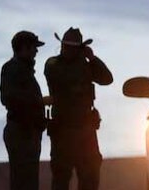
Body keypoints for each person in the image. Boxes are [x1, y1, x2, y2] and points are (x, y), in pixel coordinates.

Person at [44, 27, 113, 190]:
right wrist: (84, 62)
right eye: (66, 46)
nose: (67, 50)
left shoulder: (85, 65)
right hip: (63, 131)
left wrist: (92, 59)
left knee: (89, 176)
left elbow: (107, 79)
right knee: (61, 178)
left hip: (85, 130)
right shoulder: (54, 64)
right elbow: (65, 80)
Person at [0, 30, 49, 190]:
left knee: (27, 180)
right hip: (22, 133)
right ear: (23, 47)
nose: (36, 51)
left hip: (27, 133)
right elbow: (8, 98)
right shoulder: (13, 69)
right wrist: (39, 102)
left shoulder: (22, 70)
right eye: (34, 47)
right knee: (23, 181)